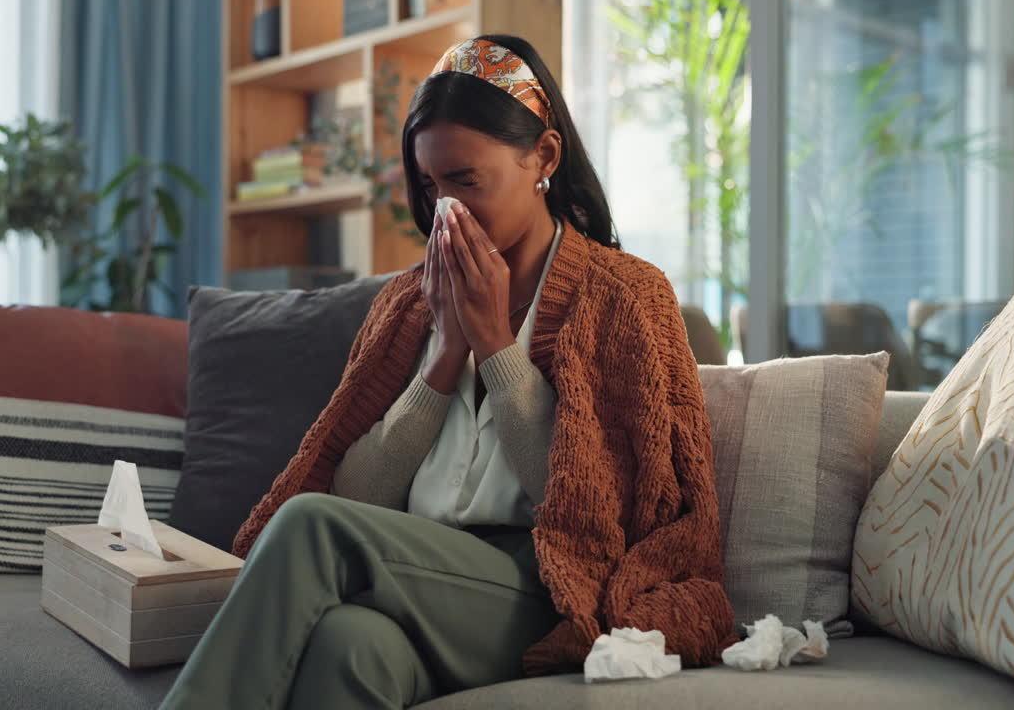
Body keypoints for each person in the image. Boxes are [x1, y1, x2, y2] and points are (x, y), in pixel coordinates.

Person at [160, 35, 735, 710]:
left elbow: (598, 515)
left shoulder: (624, 296)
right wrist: (442, 359)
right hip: (415, 571)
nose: (445, 211)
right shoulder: (407, 303)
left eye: (466, 181)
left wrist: (496, 345)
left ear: (543, 157)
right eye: (432, 187)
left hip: (551, 586)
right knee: (347, 647)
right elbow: (361, 496)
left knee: (309, 525)